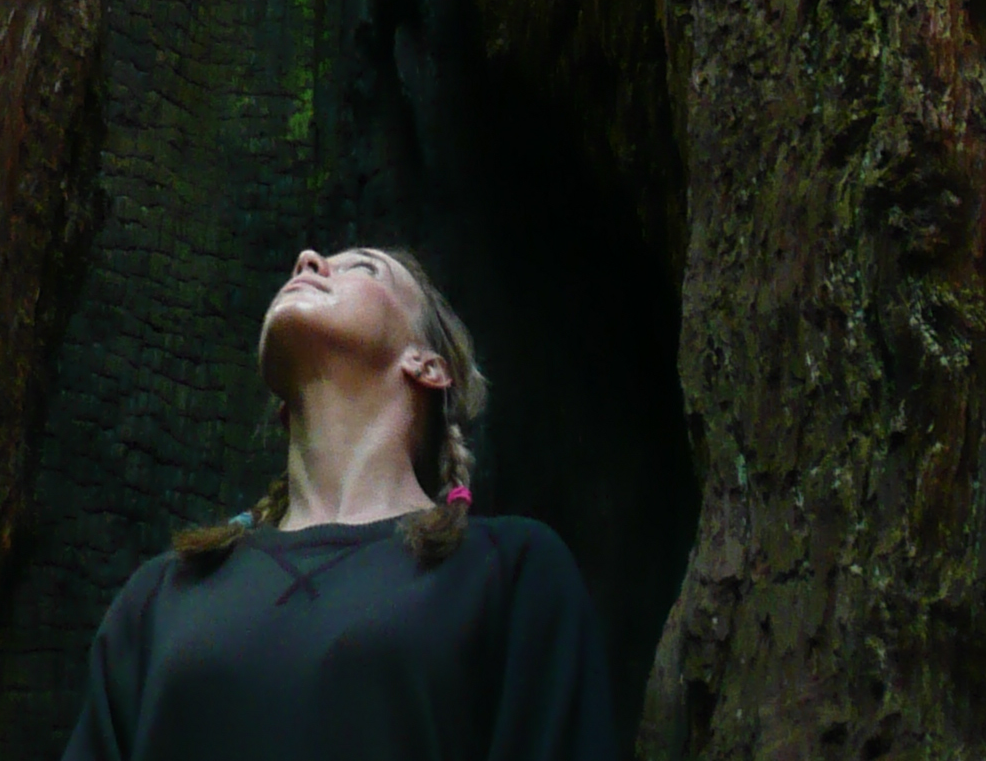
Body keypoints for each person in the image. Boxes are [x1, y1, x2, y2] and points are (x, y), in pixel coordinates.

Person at [59, 244, 617, 761]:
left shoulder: (509, 571)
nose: (307, 260)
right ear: (281, 409)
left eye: (364, 267)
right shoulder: (162, 595)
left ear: (428, 365)